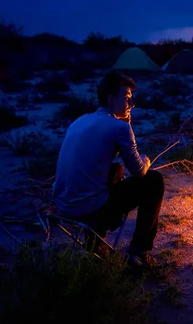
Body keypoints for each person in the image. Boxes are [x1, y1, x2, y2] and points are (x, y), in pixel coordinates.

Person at [52, 70, 165, 270]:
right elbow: (139, 171)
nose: (131, 105)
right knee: (154, 181)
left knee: (117, 169)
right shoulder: (119, 128)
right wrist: (146, 160)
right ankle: (139, 252)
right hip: (85, 208)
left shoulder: (80, 120)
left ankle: (96, 237)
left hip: (63, 205)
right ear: (111, 98)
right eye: (127, 98)